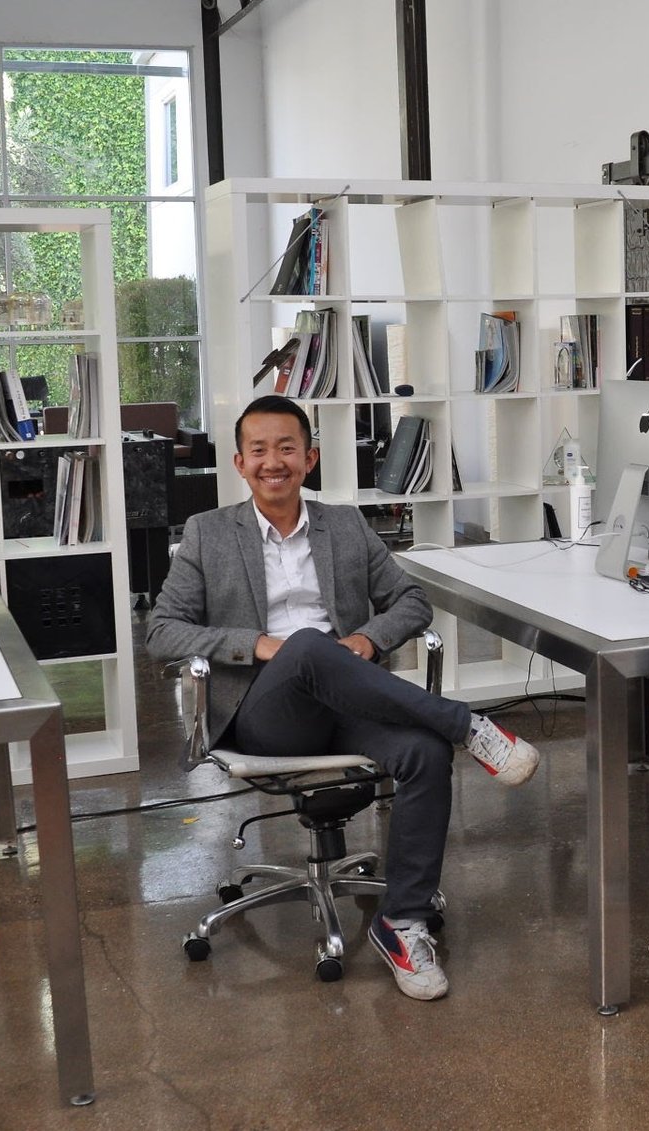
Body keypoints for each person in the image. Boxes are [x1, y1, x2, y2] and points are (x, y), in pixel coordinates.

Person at [146, 395, 541, 1001]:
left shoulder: (346, 525)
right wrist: (257, 645)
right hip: (263, 714)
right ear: (239, 463)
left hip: (348, 700)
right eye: (259, 450)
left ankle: (401, 923)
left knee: (423, 753)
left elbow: (411, 602)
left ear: (310, 458)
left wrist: (364, 640)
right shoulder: (208, 533)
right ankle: (467, 725)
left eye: (287, 448)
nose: (273, 462)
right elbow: (162, 631)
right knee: (306, 646)